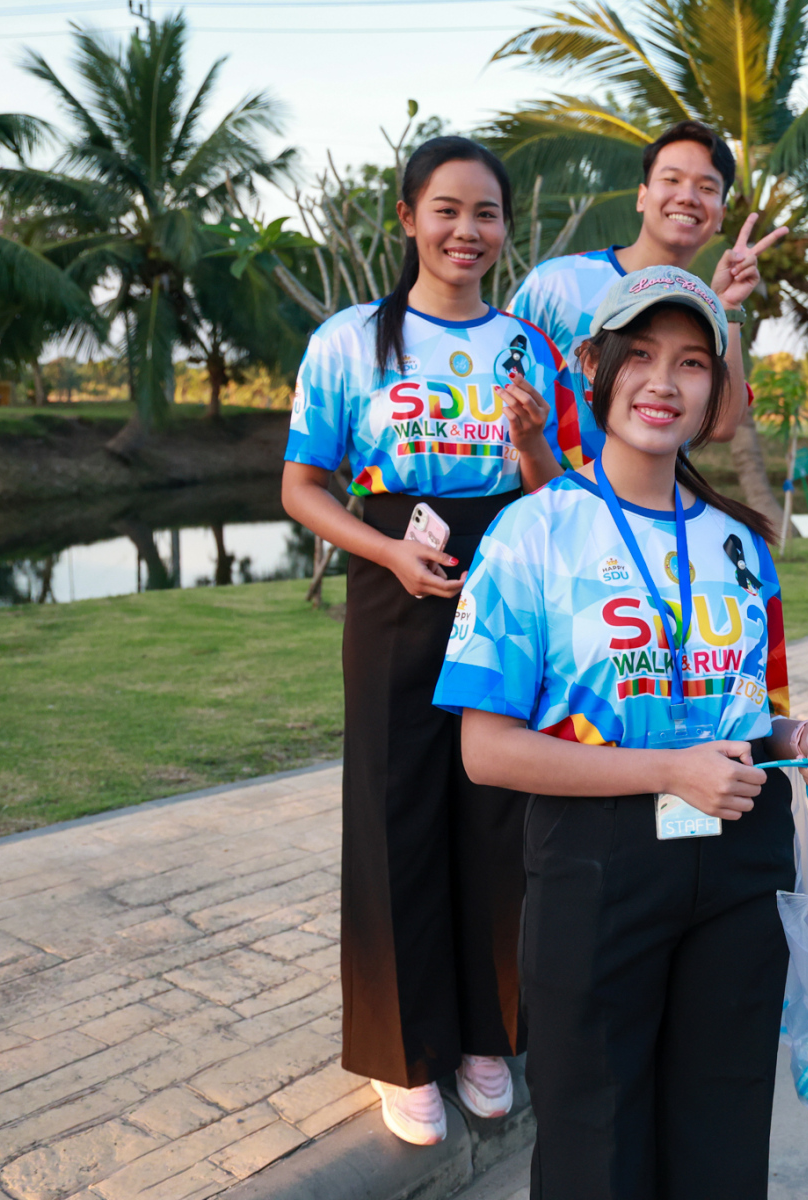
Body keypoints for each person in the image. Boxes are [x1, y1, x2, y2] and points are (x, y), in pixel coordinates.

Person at [435, 266, 808, 1200]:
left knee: (722, 1140)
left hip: (740, 860)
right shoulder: (531, 534)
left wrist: (802, 735)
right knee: (596, 1148)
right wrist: (667, 771)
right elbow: (485, 750)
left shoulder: (741, 542)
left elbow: (753, 714)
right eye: (641, 356)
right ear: (596, 367)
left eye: (692, 362)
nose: (664, 382)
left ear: (716, 389)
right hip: (598, 863)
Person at [280, 135, 575, 1147]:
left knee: (498, 809)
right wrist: (387, 553)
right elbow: (302, 487)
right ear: (407, 218)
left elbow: (557, 495)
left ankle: (488, 1036)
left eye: (486, 213)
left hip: (506, 578)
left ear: (506, 229)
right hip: (394, 575)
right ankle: (402, 1053)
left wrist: (532, 445)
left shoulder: (526, 347)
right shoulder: (349, 341)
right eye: (446, 209)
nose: (466, 231)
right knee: (396, 803)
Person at [508, 120, 786, 462]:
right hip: (551, 491)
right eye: (672, 180)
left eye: (706, 188)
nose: (687, 197)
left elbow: (720, 426)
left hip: (654, 496)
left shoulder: (702, 309)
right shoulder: (556, 282)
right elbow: (498, 386)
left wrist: (726, 306)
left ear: (720, 216)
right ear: (642, 196)